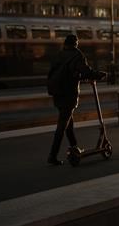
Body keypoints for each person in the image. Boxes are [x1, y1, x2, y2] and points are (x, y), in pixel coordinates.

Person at [47, 34, 106, 166]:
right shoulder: (76, 55)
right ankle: (52, 155)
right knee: (62, 125)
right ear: (76, 43)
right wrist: (98, 75)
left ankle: (74, 147)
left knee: (68, 123)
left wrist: (77, 76)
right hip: (69, 94)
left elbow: (61, 73)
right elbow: (85, 71)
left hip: (57, 93)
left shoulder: (59, 55)